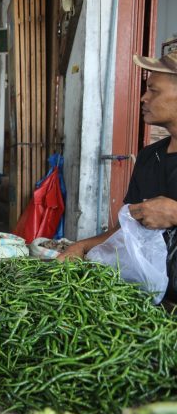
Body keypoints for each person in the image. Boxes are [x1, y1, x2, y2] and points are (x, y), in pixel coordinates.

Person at [61, 50, 177, 302]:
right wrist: (82, 246)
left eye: (153, 90)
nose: (144, 98)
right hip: (151, 299)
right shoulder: (149, 157)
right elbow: (126, 229)